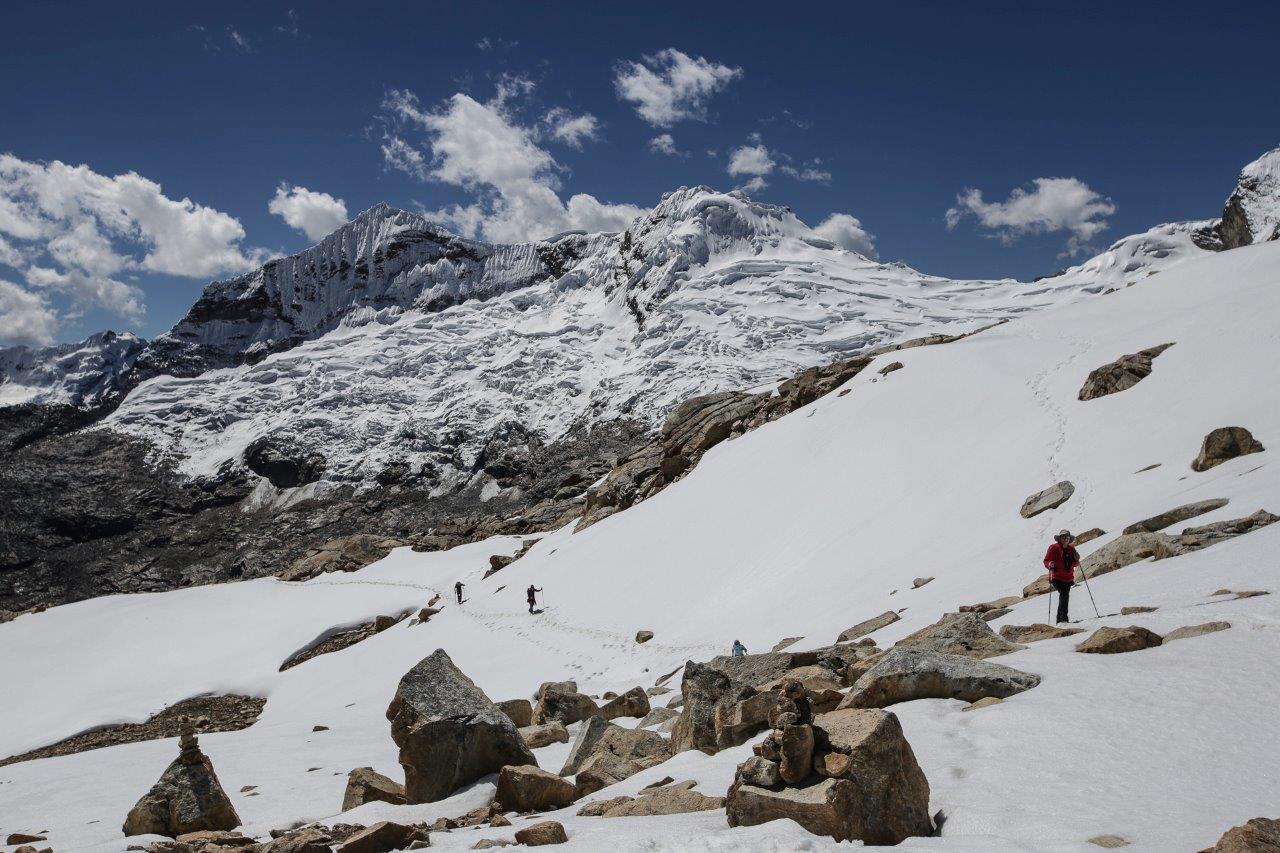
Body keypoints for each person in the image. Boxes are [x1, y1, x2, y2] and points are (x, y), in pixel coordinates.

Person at [1043, 529, 1081, 624]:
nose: (1065, 539)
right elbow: (1046, 561)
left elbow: (1076, 564)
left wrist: (1076, 559)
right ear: (1060, 539)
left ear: (1069, 539)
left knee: (1063, 597)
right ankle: (1064, 619)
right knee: (1064, 595)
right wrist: (1050, 565)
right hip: (1057, 577)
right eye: (1063, 537)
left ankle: (1059, 620)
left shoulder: (1071, 549)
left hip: (1068, 578)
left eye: (1067, 538)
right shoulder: (1053, 548)